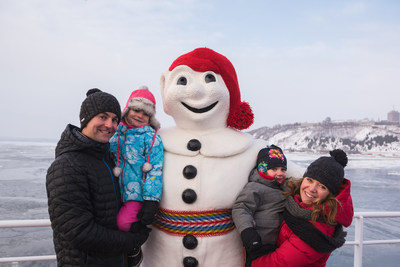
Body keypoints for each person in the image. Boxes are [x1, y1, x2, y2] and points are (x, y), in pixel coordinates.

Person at [46, 88, 150, 267]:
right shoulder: (66, 166)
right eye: (102, 117)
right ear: (85, 119)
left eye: (115, 119)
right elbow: (80, 232)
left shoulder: (108, 160)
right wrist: (133, 239)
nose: (109, 125)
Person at [251, 149, 354, 267]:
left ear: (330, 194)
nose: (311, 189)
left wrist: (248, 262)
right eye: (310, 180)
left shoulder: (317, 227)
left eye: (322, 186)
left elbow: (279, 263)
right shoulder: (297, 204)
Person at [109, 86, 163, 266]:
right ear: (127, 109)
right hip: (113, 190)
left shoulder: (152, 137)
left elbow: (155, 169)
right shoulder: (115, 131)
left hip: (136, 193)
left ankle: (134, 251)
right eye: (136, 110)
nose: (139, 115)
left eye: (145, 113)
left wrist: (151, 200)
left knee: (123, 224)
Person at [232, 145, 289, 267]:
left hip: (278, 245)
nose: (280, 173)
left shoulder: (284, 187)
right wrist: (248, 232)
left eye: (283, 169)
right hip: (259, 244)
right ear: (262, 169)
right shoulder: (255, 187)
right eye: (274, 169)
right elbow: (241, 207)